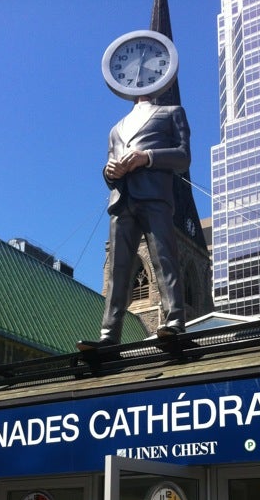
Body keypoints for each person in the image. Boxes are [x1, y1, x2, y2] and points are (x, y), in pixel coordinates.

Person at [80, 95, 191, 348]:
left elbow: (183, 157)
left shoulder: (172, 112)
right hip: (121, 200)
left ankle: (175, 322)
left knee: (165, 259)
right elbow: (110, 164)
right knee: (117, 271)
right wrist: (108, 172)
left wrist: (147, 156)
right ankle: (109, 335)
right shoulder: (115, 129)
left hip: (154, 195)